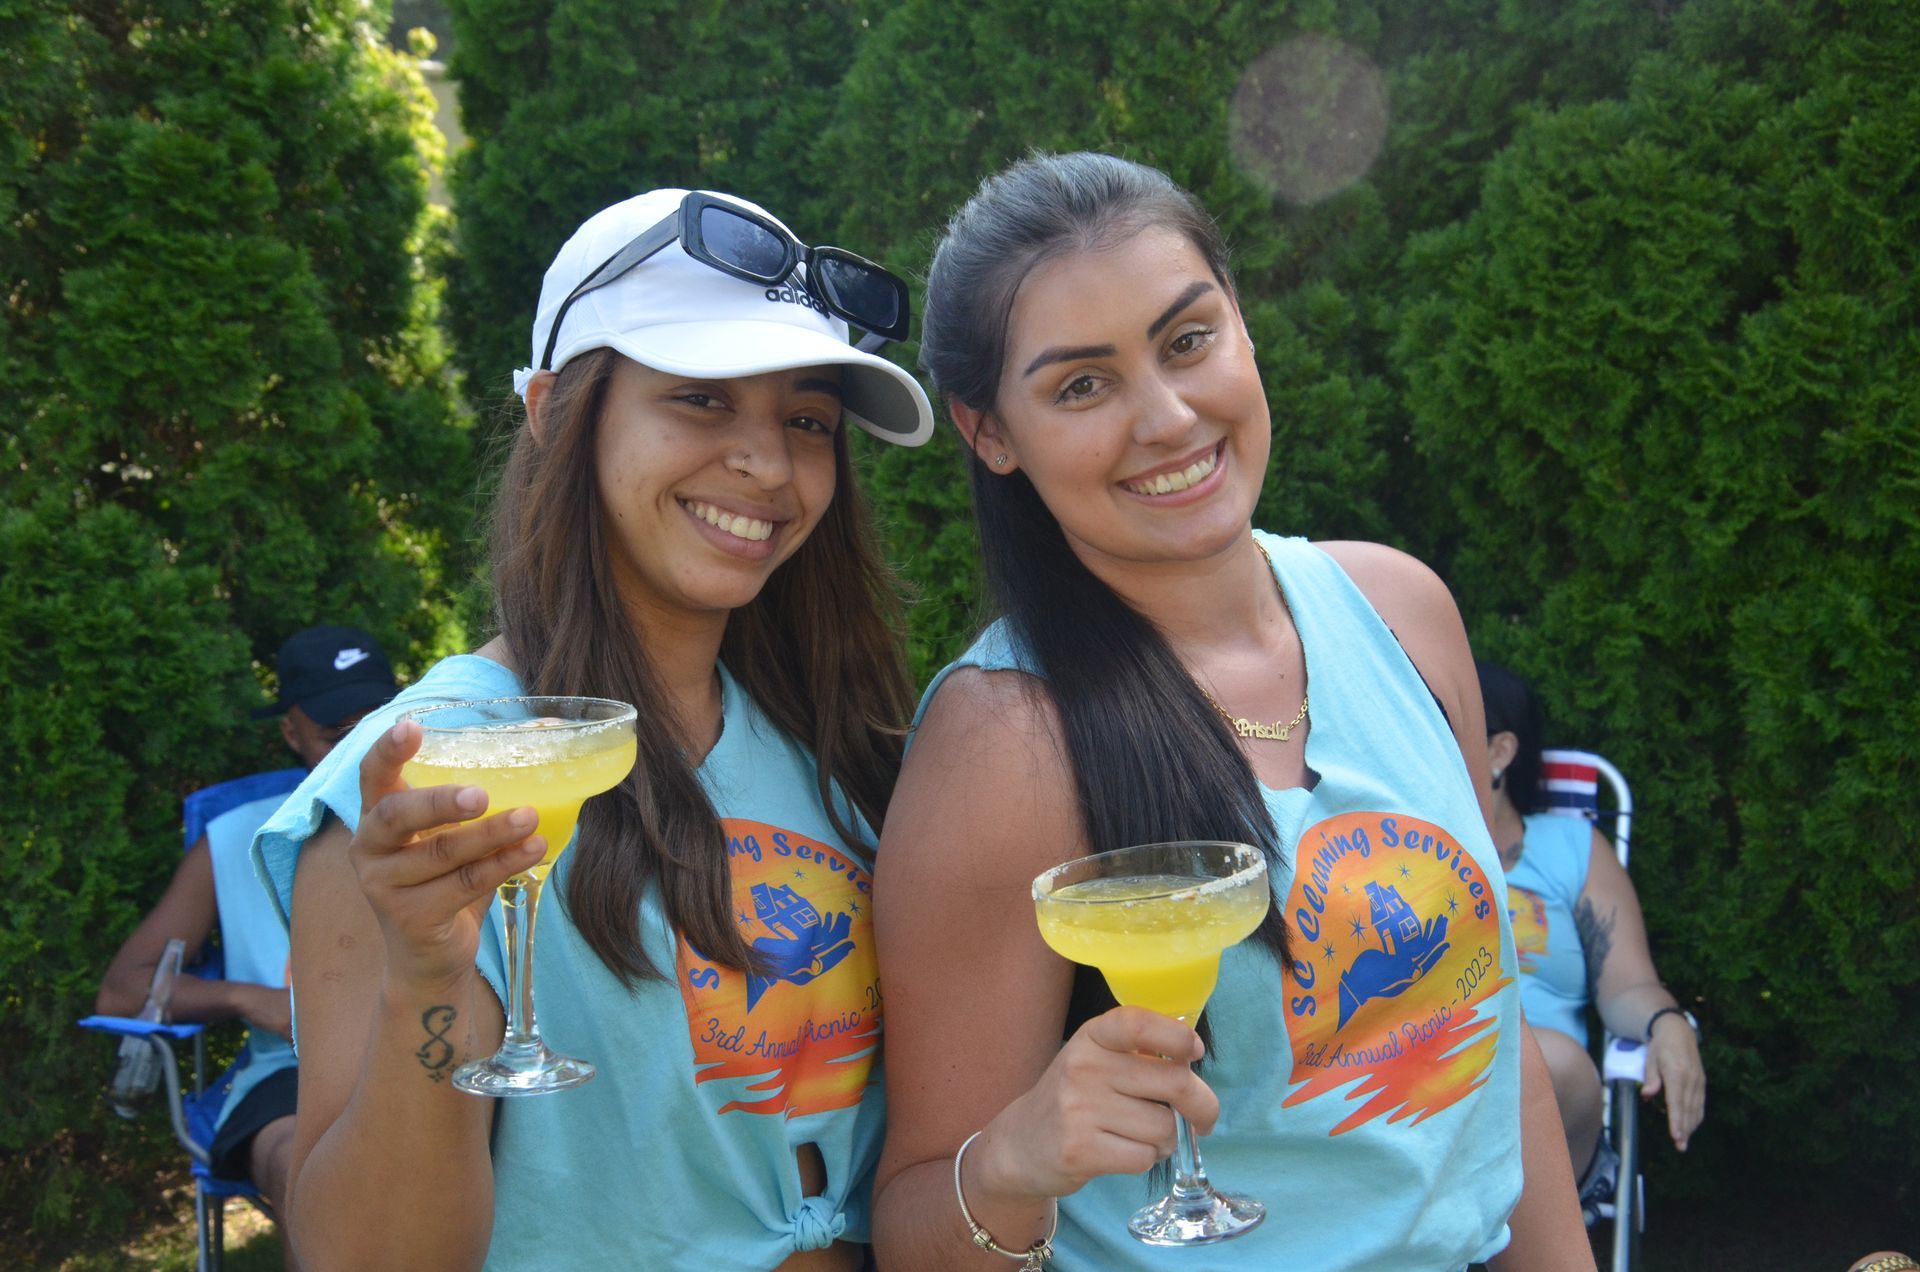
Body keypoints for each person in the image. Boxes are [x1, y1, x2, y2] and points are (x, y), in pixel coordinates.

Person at [870, 152, 1591, 1270]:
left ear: (1242, 327)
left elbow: (1496, 1079)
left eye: (1188, 340)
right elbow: (918, 1231)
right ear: (989, 433)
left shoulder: (1399, 607)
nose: (1165, 416)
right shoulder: (1008, 742)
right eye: (1082, 385)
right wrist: (1015, 1161)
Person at [248, 187, 934, 1270]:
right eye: (702, 399)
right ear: (554, 410)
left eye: (806, 420)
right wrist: (428, 979)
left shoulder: (835, 748)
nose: (766, 464)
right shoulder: (429, 775)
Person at [96, 624, 399, 1238]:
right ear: (291, 733)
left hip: (426, 1049)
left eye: (382, 727)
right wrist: (242, 997)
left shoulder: (447, 814)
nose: (364, 753)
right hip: (288, 1072)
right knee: (301, 1163)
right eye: (340, 735)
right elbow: (122, 991)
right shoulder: (235, 838)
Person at [1477, 660, 1706, 1218]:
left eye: (1446, 727)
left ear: (1500, 752)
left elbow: (1627, 984)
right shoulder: (1391, 847)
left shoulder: (1571, 848)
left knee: (1543, 1058)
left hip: (1547, 1098)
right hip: (1419, 1076)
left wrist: (1666, 1022)